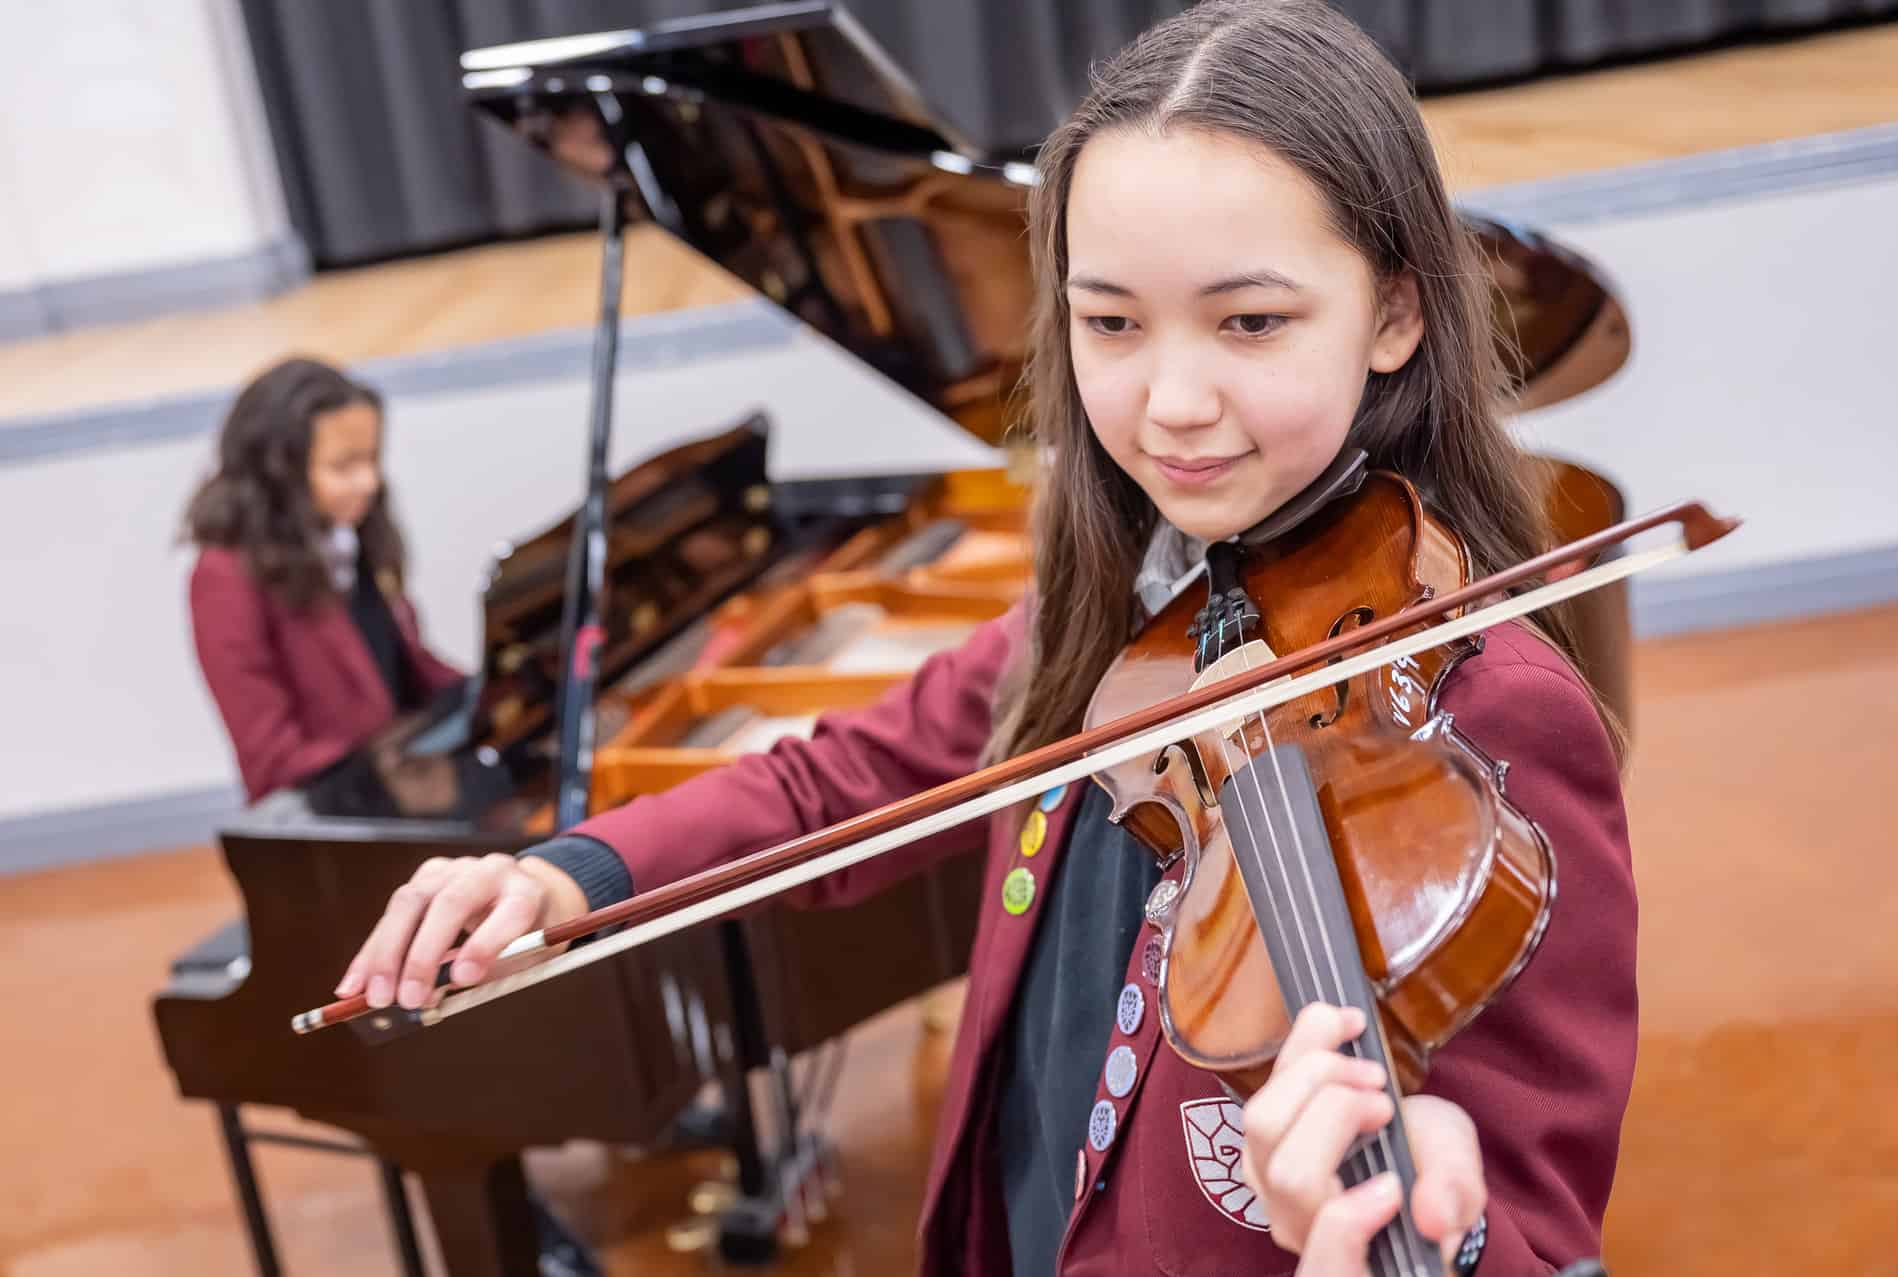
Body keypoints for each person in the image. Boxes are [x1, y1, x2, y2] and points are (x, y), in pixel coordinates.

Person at [333, 3, 1636, 1273]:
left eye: (1251, 322)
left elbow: (1538, 1234)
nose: (1171, 404)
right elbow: (834, 779)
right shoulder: (1111, 620)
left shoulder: (1496, 714)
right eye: (1110, 322)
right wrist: (571, 876)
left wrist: (1440, 1234)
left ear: (1397, 315)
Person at [184, 356, 466, 802]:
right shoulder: (224, 578)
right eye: (344, 466)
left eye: (373, 459)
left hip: (402, 777)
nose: (369, 481)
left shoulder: (354, 534)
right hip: (335, 810)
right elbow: (271, 757)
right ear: (279, 472)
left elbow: (407, 666)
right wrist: (385, 765)